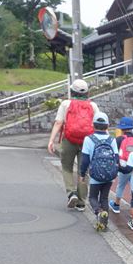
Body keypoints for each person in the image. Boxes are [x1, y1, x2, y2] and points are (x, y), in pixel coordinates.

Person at [47, 79, 99, 211]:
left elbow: (59, 123)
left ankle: (71, 193)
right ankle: (81, 202)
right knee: (83, 171)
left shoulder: (66, 104)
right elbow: (98, 125)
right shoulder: (93, 106)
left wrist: (51, 141)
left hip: (69, 140)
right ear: (87, 92)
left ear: (72, 91)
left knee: (67, 167)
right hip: (87, 142)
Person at [78, 112, 119, 231]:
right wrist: (113, 172)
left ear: (93, 125)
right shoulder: (112, 140)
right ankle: (104, 223)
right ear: (107, 125)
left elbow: (85, 160)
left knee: (92, 197)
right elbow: (116, 159)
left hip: (95, 174)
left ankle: (98, 212)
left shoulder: (88, 139)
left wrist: (82, 174)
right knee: (104, 198)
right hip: (109, 176)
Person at [109, 117, 133, 214]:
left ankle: (116, 205)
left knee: (120, 186)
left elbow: (113, 153)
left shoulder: (119, 139)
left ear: (121, 128)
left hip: (123, 167)